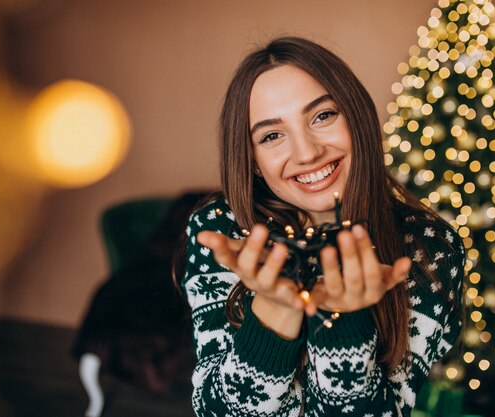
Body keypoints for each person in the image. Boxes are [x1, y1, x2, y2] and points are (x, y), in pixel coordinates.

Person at [175, 36, 465, 416]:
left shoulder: (428, 249)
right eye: (272, 135)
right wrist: (274, 312)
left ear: (357, 117)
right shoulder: (223, 229)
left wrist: (342, 325)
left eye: (322, 116)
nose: (308, 152)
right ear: (254, 160)